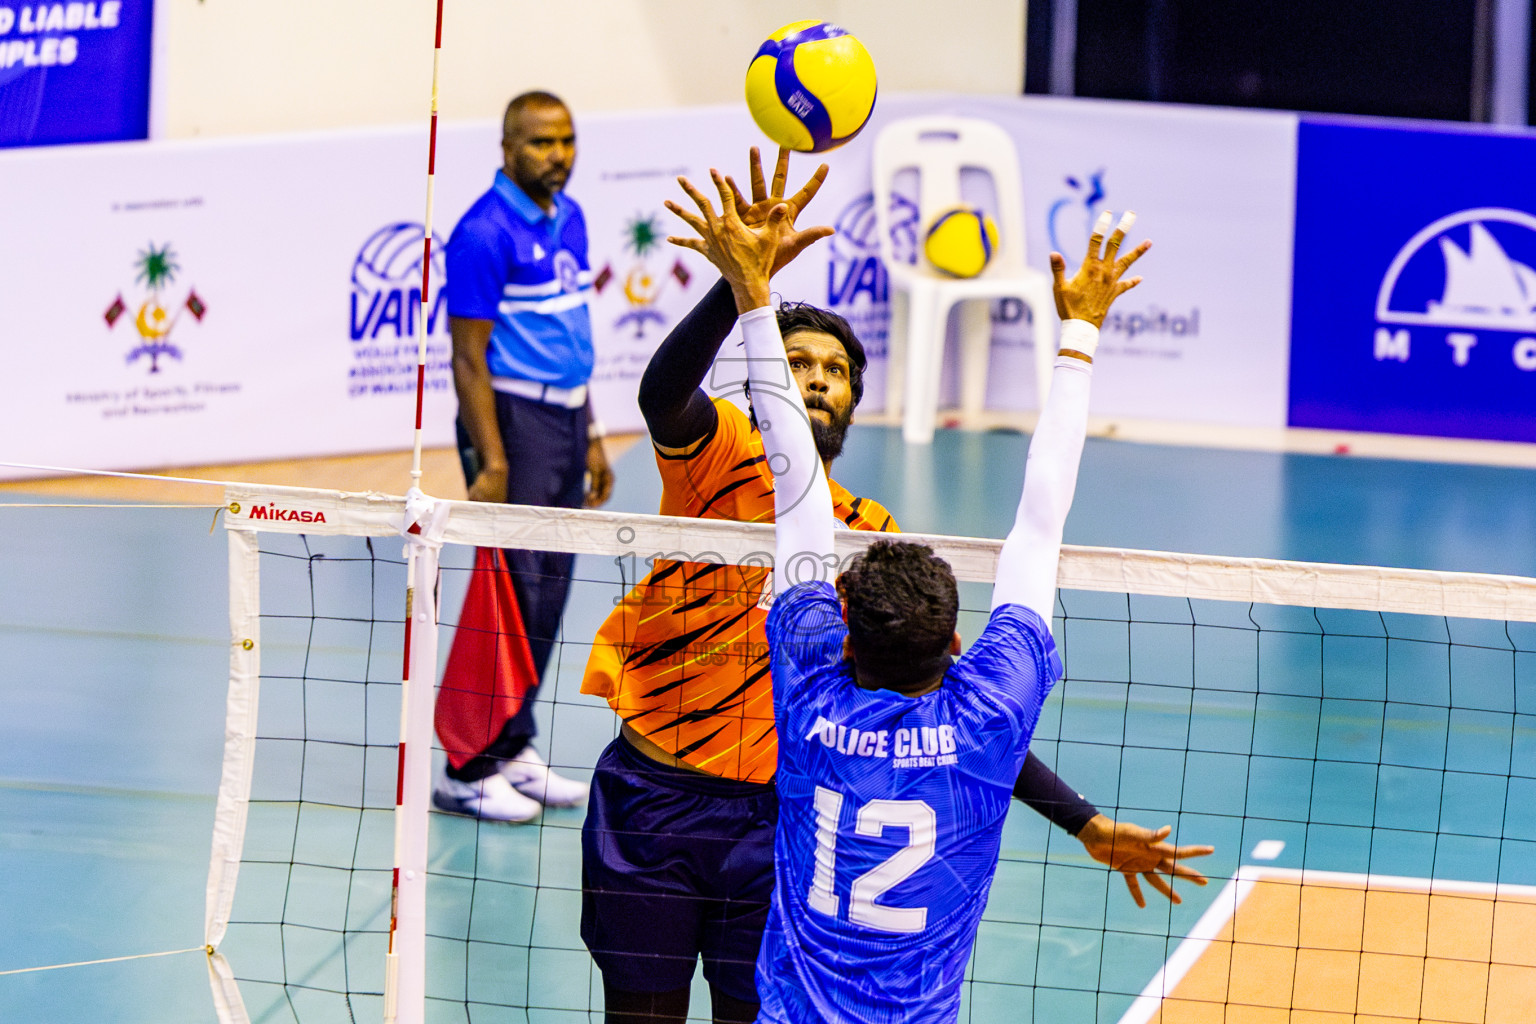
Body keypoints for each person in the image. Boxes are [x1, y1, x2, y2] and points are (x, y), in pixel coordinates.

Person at [577, 150, 1211, 1024]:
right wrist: (739, 287)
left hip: (777, 815)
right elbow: (661, 393)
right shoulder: (717, 447)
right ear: (765, 387)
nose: (815, 380)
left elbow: (956, 719)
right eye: (795, 364)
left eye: (834, 371)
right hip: (653, 800)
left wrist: (1078, 817)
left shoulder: (870, 545)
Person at [432, 90, 612, 823]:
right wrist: (494, 460)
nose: (558, 155)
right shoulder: (482, 233)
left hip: (566, 418)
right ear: (507, 148)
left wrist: (594, 429)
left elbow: (571, 328)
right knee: (506, 595)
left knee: (552, 589)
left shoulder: (570, 219)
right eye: (541, 143)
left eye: (566, 140)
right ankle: (462, 766)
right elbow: (467, 357)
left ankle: (512, 744)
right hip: (514, 420)